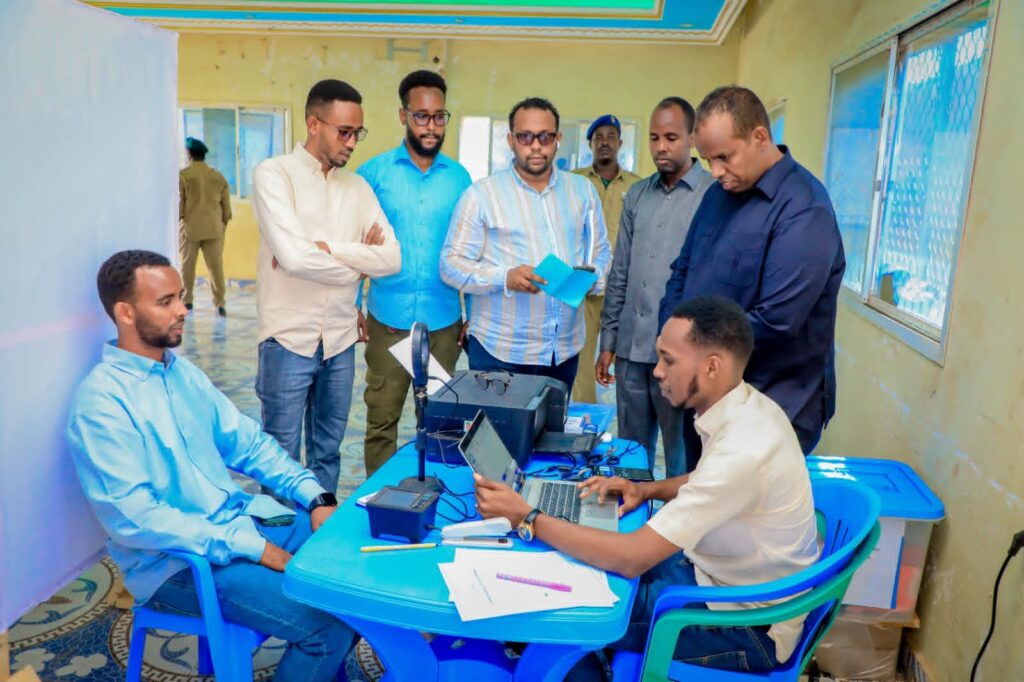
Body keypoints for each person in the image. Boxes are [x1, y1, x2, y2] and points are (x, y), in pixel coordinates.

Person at [474, 295, 819, 674]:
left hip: (745, 627)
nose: (657, 371)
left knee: (572, 607)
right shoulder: (749, 408)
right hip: (719, 580)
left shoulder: (743, 450)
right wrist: (645, 490)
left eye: (669, 360)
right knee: (583, 564)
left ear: (712, 367)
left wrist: (528, 518)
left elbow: (632, 557)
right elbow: (708, 480)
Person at [67, 250, 356, 682]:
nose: (182, 309)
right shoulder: (101, 404)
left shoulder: (181, 373)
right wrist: (251, 547)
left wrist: (315, 495)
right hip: (176, 564)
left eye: (180, 296)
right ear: (125, 313)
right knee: (328, 629)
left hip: (239, 524)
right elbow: (137, 519)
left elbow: (250, 445)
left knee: (351, 575)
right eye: (165, 302)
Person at [659, 86, 845, 459]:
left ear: (760, 137)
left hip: (770, 405)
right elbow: (683, 269)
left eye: (724, 157)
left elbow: (776, 322)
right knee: (698, 488)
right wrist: (671, 339)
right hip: (706, 394)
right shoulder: (719, 194)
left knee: (737, 497)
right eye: (708, 159)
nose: (716, 172)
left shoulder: (804, 210)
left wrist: (689, 351)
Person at [252, 79, 401, 494]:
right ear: (314, 124)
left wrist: (329, 250)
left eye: (358, 133)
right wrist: (358, 266)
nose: (352, 142)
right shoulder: (274, 175)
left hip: (340, 340)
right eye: (344, 132)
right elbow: (295, 258)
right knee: (280, 457)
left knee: (327, 453)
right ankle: (281, 533)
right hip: (287, 339)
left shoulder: (358, 188)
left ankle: (320, 531)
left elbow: (392, 259)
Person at [441, 97, 611, 388]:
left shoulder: (582, 191)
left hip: (562, 350)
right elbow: (450, 265)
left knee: (553, 419)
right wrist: (504, 277)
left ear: (558, 139)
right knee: (497, 421)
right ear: (511, 140)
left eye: (545, 137)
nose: (535, 146)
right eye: (525, 137)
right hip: (501, 351)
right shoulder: (481, 195)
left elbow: (601, 251)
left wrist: (591, 278)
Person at [355, 71, 472, 476]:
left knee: (443, 425)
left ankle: (441, 496)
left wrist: (471, 313)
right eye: (422, 116)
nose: (431, 126)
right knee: (381, 421)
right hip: (388, 320)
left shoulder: (460, 179)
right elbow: (357, 243)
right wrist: (353, 305)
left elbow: (471, 250)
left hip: (444, 324)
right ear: (403, 115)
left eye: (439, 117)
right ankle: (379, 495)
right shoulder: (373, 175)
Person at [597, 98, 714, 476]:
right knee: (630, 453)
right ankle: (634, 513)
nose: (661, 147)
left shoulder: (713, 195)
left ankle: (677, 517)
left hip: (682, 353)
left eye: (671, 138)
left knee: (680, 456)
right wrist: (608, 340)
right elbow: (621, 271)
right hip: (631, 348)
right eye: (654, 138)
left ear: (692, 138)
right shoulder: (637, 195)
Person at [571, 114, 642, 404]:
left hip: (623, 285)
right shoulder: (574, 182)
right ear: (590, 144)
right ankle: (583, 415)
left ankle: (629, 415)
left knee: (626, 354)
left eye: (610, 137)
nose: (604, 142)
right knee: (582, 354)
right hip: (584, 282)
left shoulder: (637, 187)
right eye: (598, 137)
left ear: (620, 143)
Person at [179, 137, 231, 316]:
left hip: (190, 229)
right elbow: (226, 210)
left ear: (189, 154)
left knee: (187, 266)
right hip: (214, 229)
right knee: (216, 267)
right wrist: (221, 225)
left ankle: (187, 301)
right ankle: (220, 303)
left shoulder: (184, 176)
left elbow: (179, 207)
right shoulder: (218, 176)